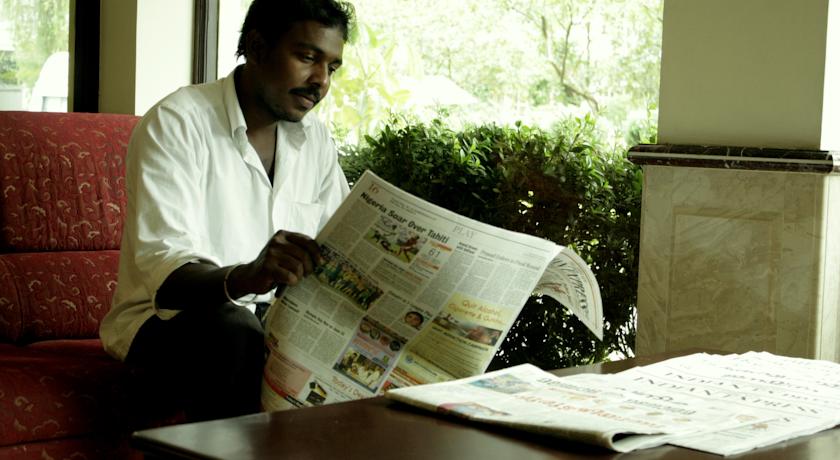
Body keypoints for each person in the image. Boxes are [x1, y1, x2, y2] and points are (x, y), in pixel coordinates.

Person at [99, 0, 355, 422]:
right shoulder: (178, 122)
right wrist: (248, 276)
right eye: (307, 57)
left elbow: (339, 249)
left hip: (275, 323)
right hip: (169, 323)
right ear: (257, 47)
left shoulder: (316, 142)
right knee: (233, 330)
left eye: (332, 67)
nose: (321, 81)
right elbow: (169, 280)